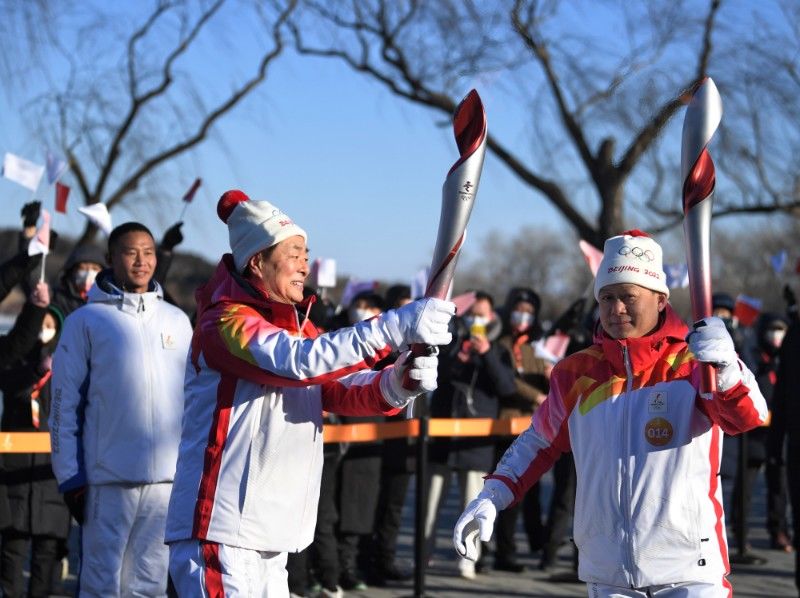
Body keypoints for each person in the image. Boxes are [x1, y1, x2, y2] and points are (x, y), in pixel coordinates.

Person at [164, 190, 455, 596]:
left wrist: (396, 382)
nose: (305, 264)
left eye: (306, 253)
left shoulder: (299, 330)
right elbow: (301, 363)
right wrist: (395, 326)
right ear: (257, 261)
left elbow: (334, 387)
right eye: (294, 253)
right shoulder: (225, 323)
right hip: (222, 531)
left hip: (272, 535)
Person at [454, 230, 768, 597]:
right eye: (607, 298)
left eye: (628, 297)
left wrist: (728, 368)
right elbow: (537, 442)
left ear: (660, 299)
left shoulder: (694, 363)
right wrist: (491, 496)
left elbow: (747, 416)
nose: (616, 309)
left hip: (689, 572)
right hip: (608, 574)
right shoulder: (576, 373)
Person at [49, 222, 193, 597]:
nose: (141, 261)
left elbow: (195, 401)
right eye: (131, 252)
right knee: (102, 585)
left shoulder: (177, 321)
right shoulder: (87, 321)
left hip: (166, 482)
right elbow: (64, 404)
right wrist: (71, 478)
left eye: (148, 252)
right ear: (111, 259)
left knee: (149, 585)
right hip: (106, 480)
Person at [427, 290, 516, 579]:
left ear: (491, 317)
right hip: (443, 439)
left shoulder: (499, 349)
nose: (478, 318)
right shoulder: (450, 342)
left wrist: (487, 354)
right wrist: (459, 357)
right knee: (430, 507)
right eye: (473, 313)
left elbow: (506, 387)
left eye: (483, 313)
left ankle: (468, 560)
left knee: (473, 506)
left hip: (476, 443)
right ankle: (423, 555)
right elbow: (435, 380)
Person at [0, 306, 71, 597]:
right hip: (14, 474)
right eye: (39, 323)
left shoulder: (69, 364)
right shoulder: (12, 363)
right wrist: (35, 370)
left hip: (51, 477)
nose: (45, 329)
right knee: (11, 552)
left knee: (46, 555)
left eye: (51, 323)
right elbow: (10, 387)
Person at [493, 287, 551, 573]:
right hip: (507, 424)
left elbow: (550, 380)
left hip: (536, 428)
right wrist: (536, 396)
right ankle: (505, 551)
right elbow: (508, 382)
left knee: (533, 491)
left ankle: (536, 540)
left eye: (529, 312)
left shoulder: (539, 346)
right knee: (509, 490)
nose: (523, 316)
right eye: (519, 309)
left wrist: (553, 375)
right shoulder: (502, 343)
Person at [730, 313, 791, 553]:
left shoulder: (787, 356)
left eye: (781, 329)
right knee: (745, 485)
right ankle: (740, 532)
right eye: (772, 329)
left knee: (780, 485)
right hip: (753, 432)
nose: (776, 335)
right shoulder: (752, 354)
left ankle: (779, 530)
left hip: (779, 431)